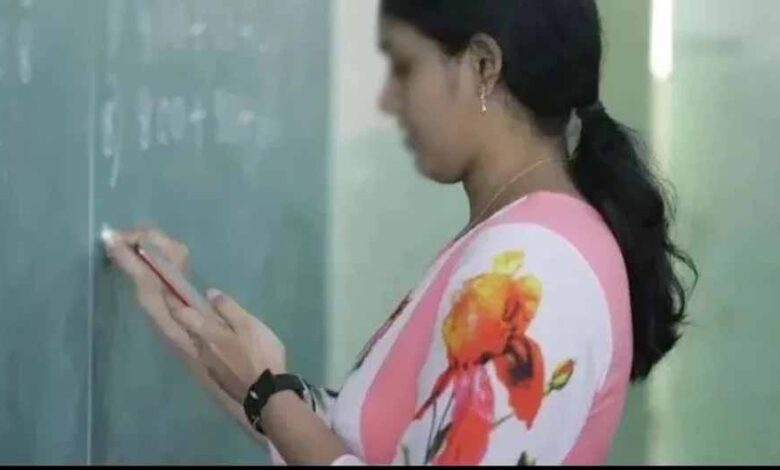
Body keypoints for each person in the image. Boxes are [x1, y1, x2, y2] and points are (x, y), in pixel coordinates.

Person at [103, 0, 697, 465]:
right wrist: (196, 327)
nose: (389, 100)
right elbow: (356, 448)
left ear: (483, 66)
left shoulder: (536, 267)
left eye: (405, 67)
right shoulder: (517, 238)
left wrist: (267, 396)